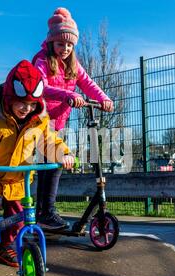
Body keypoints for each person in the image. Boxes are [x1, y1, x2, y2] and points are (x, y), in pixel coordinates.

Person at [0, 60, 75, 271]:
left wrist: (64, 154)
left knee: (19, 214)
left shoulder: (38, 121)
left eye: (33, 104)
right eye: (22, 103)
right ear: (9, 99)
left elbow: (49, 141)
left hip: (17, 175)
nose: (27, 108)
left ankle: (4, 246)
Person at [32, 7, 114, 229]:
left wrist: (104, 99)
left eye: (69, 45)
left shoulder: (73, 65)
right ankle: (45, 212)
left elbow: (87, 83)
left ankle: (42, 212)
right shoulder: (41, 60)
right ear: (51, 43)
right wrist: (68, 95)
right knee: (53, 163)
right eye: (61, 44)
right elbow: (41, 88)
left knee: (49, 167)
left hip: (56, 124)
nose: (65, 48)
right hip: (38, 122)